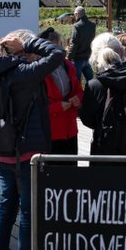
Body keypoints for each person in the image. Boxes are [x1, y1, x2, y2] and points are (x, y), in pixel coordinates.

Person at [0, 31, 65, 250]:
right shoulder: (24, 73)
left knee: (6, 211)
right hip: (28, 152)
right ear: (18, 49)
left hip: (1, 152)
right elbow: (57, 54)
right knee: (28, 215)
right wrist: (30, 43)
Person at [79, 33, 126, 156]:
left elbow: (88, 120)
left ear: (95, 57)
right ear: (122, 52)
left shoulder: (94, 85)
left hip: (105, 154)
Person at [39, 27, 83, 155]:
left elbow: (79, 90)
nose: (56, 50)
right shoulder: (38, 69)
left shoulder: (68, 65)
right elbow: (36, 104)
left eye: (58, 46)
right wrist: (57, 107)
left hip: (70, 129)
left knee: (70, 170)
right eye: (52, 46)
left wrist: (77, 98)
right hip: (51, 131)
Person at [68, 6, 95, 83]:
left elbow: (73, 43)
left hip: (78, 58)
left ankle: (81, 95)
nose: (74, 16)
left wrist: (69, 58)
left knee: (77, 83)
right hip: (88, 57)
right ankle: (91, 94)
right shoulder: (92, 25)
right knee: (91, 81)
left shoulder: (77, 26)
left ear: (77, 14)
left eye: (74, 14)